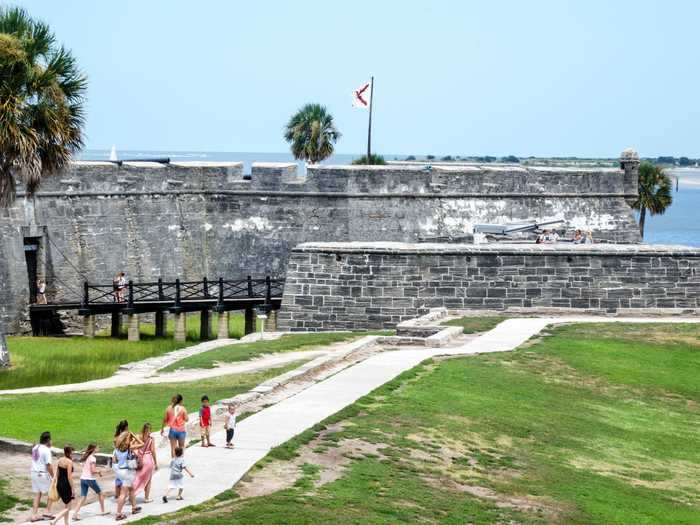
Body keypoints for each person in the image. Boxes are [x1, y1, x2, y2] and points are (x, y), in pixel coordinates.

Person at [113, 431, 144, 521]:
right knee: (123, 494)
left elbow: (114, 460)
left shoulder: (117, 448)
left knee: (132, 489)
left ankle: (134, 507)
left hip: (120, 471)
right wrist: (134, 435)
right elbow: (142, 444)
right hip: (127, 472)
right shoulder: (129, 447)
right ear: (126, 439)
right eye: (129, 438)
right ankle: (118, 514)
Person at [73, 444, 108, 520]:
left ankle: (75, 514)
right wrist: (99, 471)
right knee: (100, 493)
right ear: (94, 449)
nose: (99, 448)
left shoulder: (87, 457)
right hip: (89, 479)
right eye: (97, 447)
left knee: (83, 497)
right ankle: (103, 511)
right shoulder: (92, 458)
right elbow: (93, 471)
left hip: (83, 479)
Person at [30, 431, 55, 522]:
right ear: (48, 440)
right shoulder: (46, 450)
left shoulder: (35, 447)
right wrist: (54, 476)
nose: (52, 441)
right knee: (52, 491)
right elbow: (49, 465)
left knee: (38, 493)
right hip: (42, 474)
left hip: (33, 473)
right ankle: (47, 511)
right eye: (51, 440)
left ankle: (34, 515)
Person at [132, 423, 158, 503]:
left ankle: (131, 494)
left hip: (140, 459)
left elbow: (131, 446)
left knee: (137, 478)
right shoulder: (151, 439)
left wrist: (136, 453)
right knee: (148, 480)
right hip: (148, 460)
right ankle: (146, 498)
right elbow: (153, 451)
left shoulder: (139, 437)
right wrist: (156, 462)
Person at [49, 446, 74, 525]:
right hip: (66, 485)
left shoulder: (60, 460)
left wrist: (54, 483)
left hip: (59, 484)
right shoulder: (69, 462)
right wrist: (73, 488)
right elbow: (69, 476)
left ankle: (66, 523)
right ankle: (55, 520)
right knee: (69, 508)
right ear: (70, 452)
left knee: (66, 506)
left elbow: (57, 474)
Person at [112, 420, 129, 500]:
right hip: (122, 455)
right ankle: (123, 495)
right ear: (126, 427)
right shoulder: (125, 434)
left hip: (116, 455)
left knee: (118, 477)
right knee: (124, 477)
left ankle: (117, 494)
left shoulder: (116, 434)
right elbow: (128, 444)